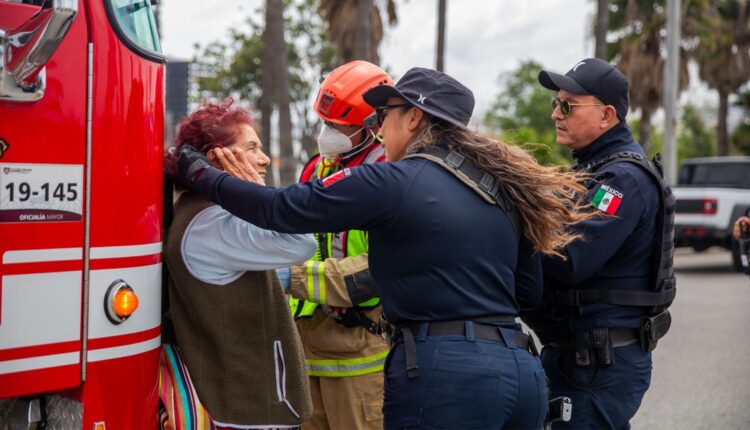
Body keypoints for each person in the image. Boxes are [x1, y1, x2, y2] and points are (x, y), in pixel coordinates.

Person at [171, 67, 594, 429]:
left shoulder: (396, 180)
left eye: (385, 114)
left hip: (446, 377)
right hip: (520, 371)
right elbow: (528, 293)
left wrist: (200, 173)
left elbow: (284, 210)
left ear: (413, 118)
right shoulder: (499, 187)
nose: (378, 125)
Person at [523, 58, 676, 429]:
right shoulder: (593, 169)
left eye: (567, 106)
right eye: (555, 103)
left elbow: (570, 258)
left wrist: (515, 226)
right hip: (578, 356)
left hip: (598, 364)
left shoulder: (621, 180)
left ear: (607, 115)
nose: (555, 114)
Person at [163, 100, 315, 429]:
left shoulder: (204, 211)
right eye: (251, 148)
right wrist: (256, 193)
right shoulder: (213, 223)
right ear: (217, 157)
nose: (261, 159)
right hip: (252, 412)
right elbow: (302, 243)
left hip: (246, 406)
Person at [279, 60, 393, 430]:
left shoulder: (388, 175)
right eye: (324, 123)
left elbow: (376, 271)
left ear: (371, 125)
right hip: (307, 347)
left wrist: (287, 277)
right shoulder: (317, 169)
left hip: (360, 349)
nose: (327, 132)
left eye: (338, 125)